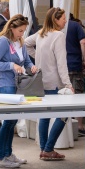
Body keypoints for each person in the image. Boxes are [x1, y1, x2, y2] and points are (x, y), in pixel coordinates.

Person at [25, 8, 73, 161]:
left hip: (41, 82)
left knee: (44, 116)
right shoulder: (59, 36)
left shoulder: (41, 34)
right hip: (54, 83)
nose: (65, 21)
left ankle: (44, 149)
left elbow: (26, 43)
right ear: (55, 20)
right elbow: (61, 63)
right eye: (63, 18)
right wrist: (68, 84)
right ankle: (48, 149)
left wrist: (37, 56)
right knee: (64, 115)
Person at [0, 14, 36, 168]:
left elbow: (26, 60)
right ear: (12, 28)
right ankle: (1, 157)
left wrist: (31, 67)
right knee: (8, 121)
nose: (22, 34)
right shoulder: (3, 42)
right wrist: (11, 66)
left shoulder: (20, 42)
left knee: (12, 121)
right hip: (5, 86)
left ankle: (8, 154)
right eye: (20, 31)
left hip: (17, 86)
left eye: (23, 31)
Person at [63, 11, 85, 135]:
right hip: (74, 64)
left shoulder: (53, 27)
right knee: (78, 95)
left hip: (60, 67)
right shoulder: (75, 26)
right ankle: (79, 126)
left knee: (62, 96)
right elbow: (83, 42)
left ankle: (63, 125)